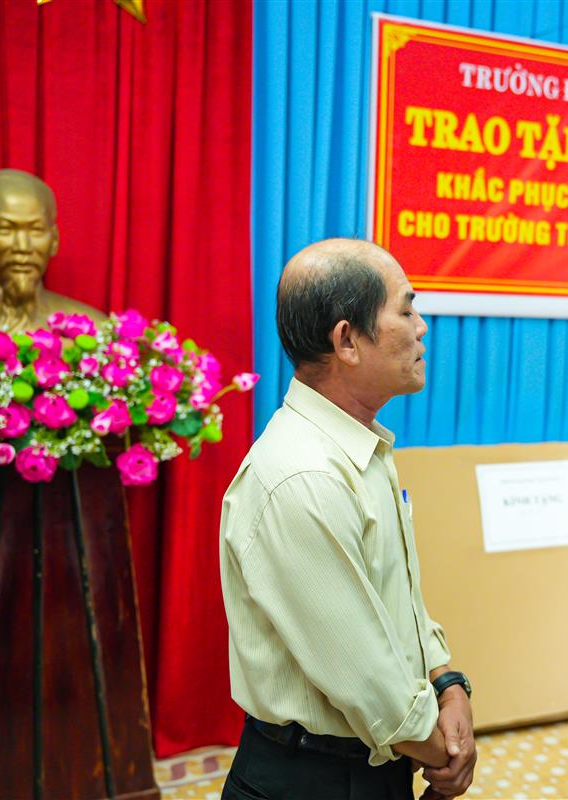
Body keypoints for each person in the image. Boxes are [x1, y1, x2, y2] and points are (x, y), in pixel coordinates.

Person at [219, 239, 476, 800]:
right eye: (405, 310)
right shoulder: (302, 475)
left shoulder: (360, 449)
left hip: (376, 766)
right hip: (309, 780)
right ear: (347, 340)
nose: (422, 328)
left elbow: (399, 605)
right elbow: (362, 673)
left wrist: (448, 683)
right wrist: (447, 754)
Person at [0, 168, 105, 334]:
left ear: (54, 239)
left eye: (36, 230)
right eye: (5, 229)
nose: (23, 247)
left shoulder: (95, 330)